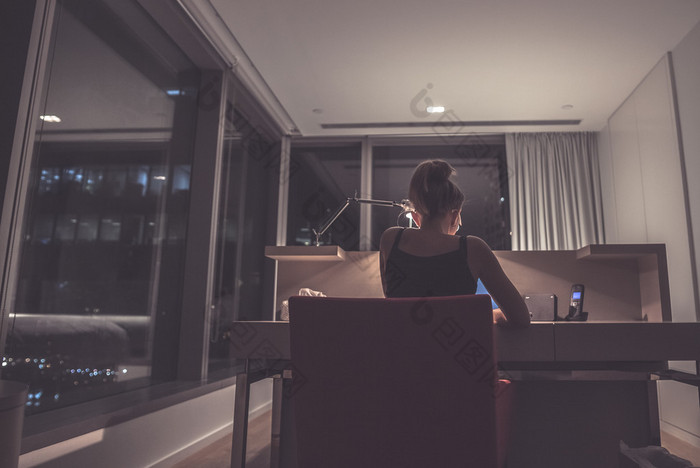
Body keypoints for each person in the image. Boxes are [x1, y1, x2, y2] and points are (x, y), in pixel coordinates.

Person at [379, 159, 530, 328]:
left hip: (401, 352)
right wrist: (486, 314)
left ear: (415, 217)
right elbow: (521, 319)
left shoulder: (390, 239)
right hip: (454, 350)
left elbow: (394, 304)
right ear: (455, 215)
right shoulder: (474, 248)